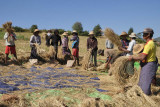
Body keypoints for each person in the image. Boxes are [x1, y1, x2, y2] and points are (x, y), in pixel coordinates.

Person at [128, 28, 157, 95]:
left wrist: (132, 57)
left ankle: (146, 97)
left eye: (144, 34)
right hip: (146, 64)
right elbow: (143, 55)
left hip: (149, 65)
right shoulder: (149, 43)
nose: (143, 35)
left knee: (145, 86)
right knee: (142, 82)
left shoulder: (149, 44)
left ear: (149, 34)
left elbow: (142, 57)